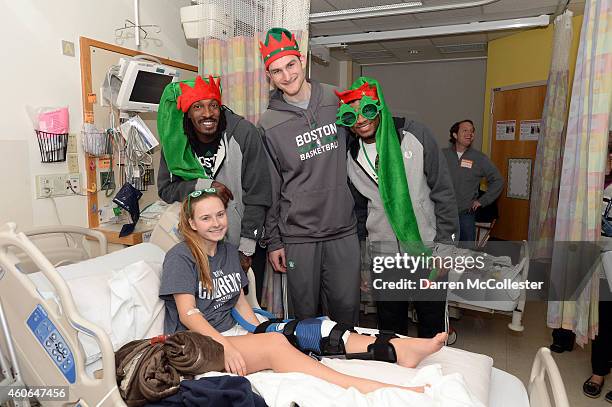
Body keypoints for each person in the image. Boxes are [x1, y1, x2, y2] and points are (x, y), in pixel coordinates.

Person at [158, 188, 448, 394]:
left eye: (220, 215)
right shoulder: (180, 257)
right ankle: (370, 388)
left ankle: (399, 348)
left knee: (315, 328)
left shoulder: (229, 252)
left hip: (232, 332)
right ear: (192, 224)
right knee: (275, 346)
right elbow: (188, 314)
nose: (216, 223)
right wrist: (227, 346)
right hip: (197, 343)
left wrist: (265, 326)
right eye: (206, 218)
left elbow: (237, 301)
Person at [338, 77, 459, 338]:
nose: (360, 120)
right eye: (352, 115)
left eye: (366, 110)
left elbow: (444, 191)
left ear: (379, 106)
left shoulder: (415, 135)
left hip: (426, 248)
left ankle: (434, 377)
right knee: (390, 329)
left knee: (432, 325)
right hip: (385, 256)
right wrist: (365, 263)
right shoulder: (351, 156)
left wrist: (446, 247)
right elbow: (360, 215)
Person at [257, 27, 360, 325]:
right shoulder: (268, 124)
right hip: (298, 236)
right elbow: (272, 187)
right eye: (276, 71)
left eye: (290, 65)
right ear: (269, 76)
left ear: (301, 61)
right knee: (305, 318)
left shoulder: (335, 99)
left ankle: (347, 367)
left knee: (346, 312)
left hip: (342, 228)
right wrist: (275, 241)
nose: (286, 76)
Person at [156, 75, 271, 273]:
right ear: (188, 113)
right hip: (199, 246)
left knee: (247, 302)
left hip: (243, 243)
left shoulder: (243, 134)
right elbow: (166, 189)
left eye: (213, 106)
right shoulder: (176, 143)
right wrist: (205, 187)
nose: (208, 113)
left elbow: (259, 193)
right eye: (198, 107)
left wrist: (246, 249)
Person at [442, 120, 503, 244]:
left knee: (467, 253)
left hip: (466, 215)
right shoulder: (442, 155)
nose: (470, 133)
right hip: (444, 214)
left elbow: (498, 180)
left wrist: (482, 201)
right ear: (455, 135)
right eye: (465, 130)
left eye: (472, 131)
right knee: (444, 251)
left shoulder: (479, 158)